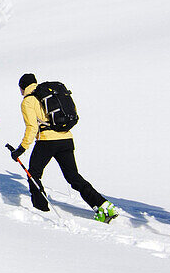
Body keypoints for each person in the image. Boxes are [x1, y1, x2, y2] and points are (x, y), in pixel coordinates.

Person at [10, 73, 122, 222]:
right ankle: (103, 205)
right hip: (66, 139)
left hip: (47, 141)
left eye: (20, 88)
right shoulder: (52, 94)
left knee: (33, 174)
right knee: (73, 177)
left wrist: (21, 149)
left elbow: (32, 127)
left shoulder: (28, 101)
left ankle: (41, 209)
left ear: (23, 87)